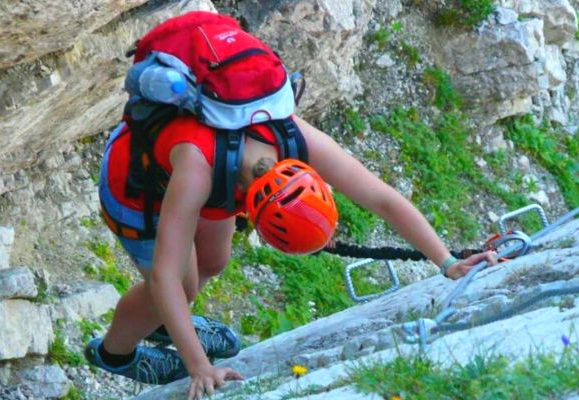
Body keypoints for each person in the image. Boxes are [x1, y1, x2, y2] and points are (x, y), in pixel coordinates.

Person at [84, 11, 498, 400]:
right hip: (136, 187)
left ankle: (168, 325)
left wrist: (447, 262)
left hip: (206, 177)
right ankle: (115, 353)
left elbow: (383, 199)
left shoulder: (293, 137)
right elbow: (164, 277)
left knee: (213, 260)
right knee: (183, 284)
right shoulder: (197, 169)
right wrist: (199, 367)